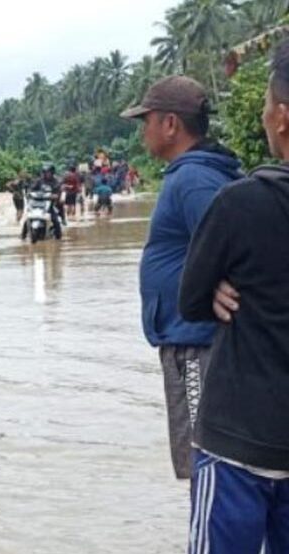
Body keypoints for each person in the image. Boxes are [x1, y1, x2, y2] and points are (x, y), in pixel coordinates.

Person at [176, 42, 289, 554]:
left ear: (281, 116)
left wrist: (220, 286)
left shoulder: (239, 204)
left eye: (267, 103)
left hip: (236, 442)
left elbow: (191, 300)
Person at [122, 75, 244, 481]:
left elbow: (235, 249)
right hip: (194, 340)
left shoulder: (194, 180)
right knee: (205, 459)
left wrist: (219, 284)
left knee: (202, 459)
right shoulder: (196, 173)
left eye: (147, 121)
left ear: (170, 124)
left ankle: (204, 522)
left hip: (196, 346)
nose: (143, 131)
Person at [23, 164, 63, 240]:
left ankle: (59, 237)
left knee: (55, 221)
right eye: (44, 172)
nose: (46, 174)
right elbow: (32, 189)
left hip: (49, 205)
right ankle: (23, 236)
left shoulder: (56, 182)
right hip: (36, 204)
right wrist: (29, 193)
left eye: (48, 172)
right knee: (27, 219)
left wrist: (55, 196)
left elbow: (58, 192)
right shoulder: (39, 181)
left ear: (52, 172)